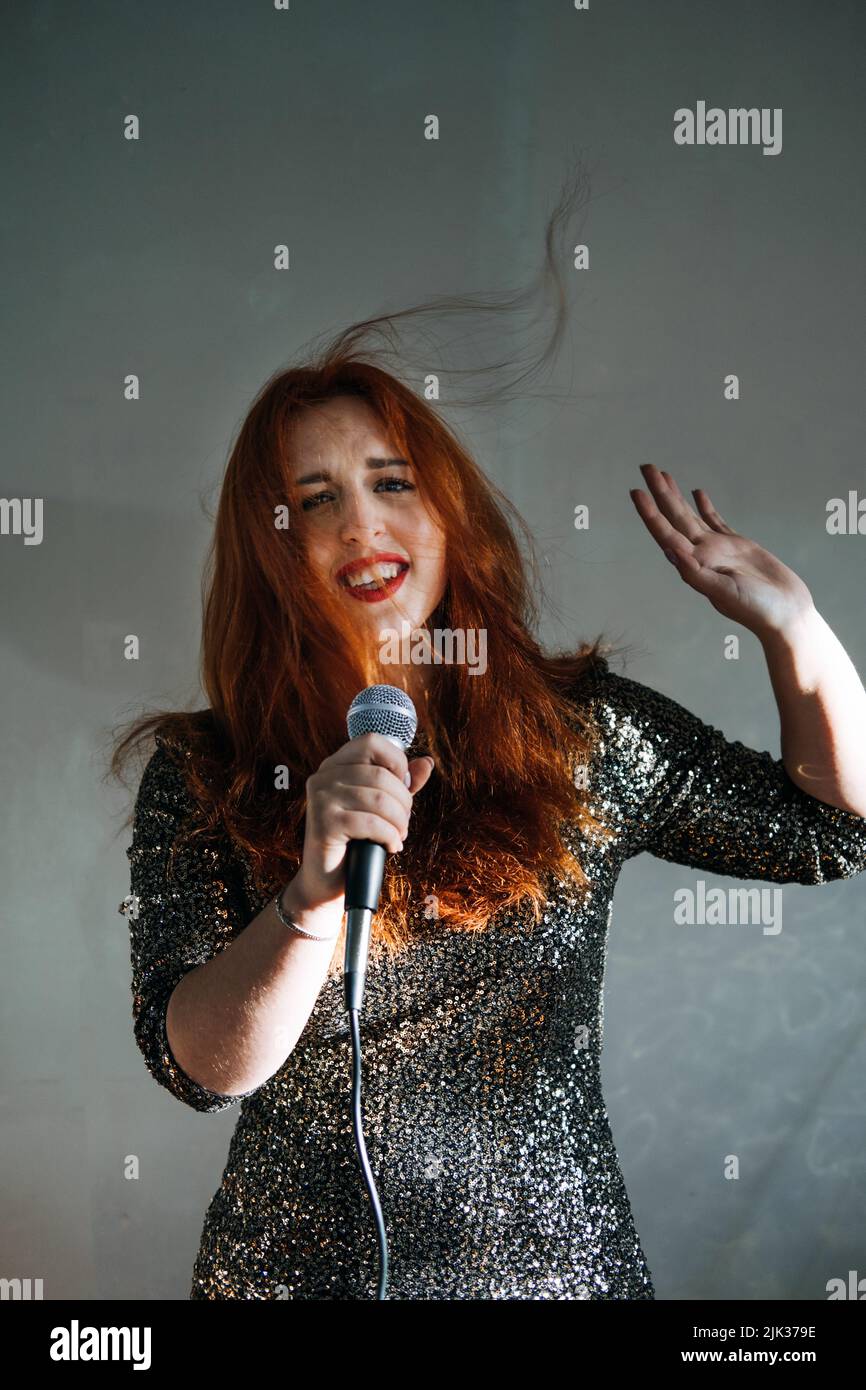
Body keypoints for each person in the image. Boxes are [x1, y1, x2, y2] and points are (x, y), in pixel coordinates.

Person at [110, 171, 866, 1299]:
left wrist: (794, 632)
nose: (359, 522)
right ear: (273, 550)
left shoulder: (577, 734)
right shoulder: (202, 767)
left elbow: (828, 832)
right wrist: (310, 896)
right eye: (312, 499)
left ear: (444, 513)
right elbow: (201, 1066)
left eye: (388, 480)